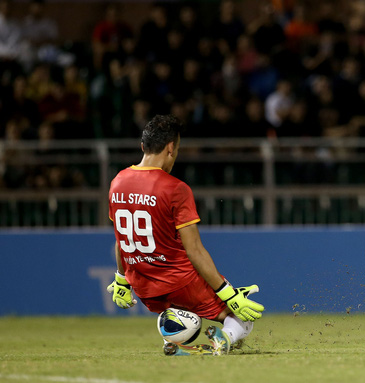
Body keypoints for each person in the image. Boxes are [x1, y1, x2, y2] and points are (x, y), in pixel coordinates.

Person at [106, 115, 264, 356]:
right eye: (177, 149)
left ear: (142, 147)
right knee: (241, 316)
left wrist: (121, 279)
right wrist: (227, 293)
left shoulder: (117, 182)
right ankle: (223, 338)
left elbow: (120, 240)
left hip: (145, 287)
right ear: (171, 148)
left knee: (183, 310)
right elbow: (195, 250)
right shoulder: (175, 188)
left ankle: (174, 340)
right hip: (180, 282)